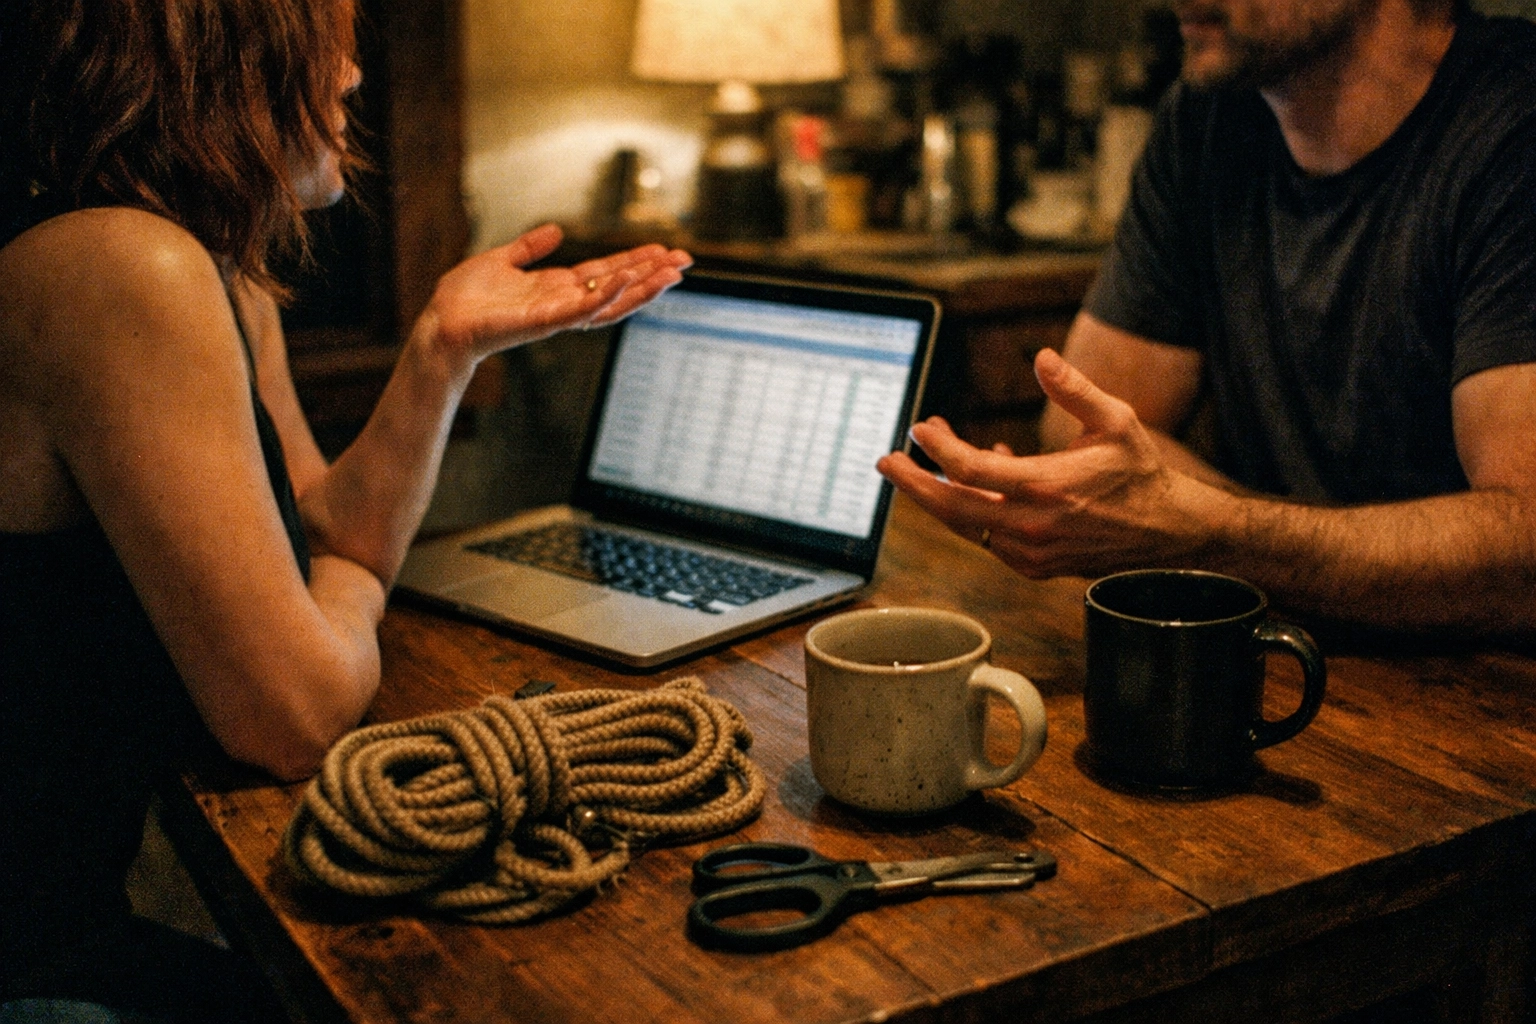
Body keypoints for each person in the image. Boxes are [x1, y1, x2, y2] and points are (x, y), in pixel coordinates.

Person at [0, 0, 690, 1018]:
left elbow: (319, 530)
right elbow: (296, 715)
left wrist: (443, 351)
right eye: (330, 29)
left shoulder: (218, 265)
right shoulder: (115, 266)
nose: (355, 74)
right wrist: (354, 592)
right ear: (227, 42)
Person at [879, 0, 1536, 640]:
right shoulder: (1209, 117)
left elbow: (1524, 552)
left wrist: (1211, 530)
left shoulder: (1512, 122)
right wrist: (1231, 535)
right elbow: (1080, 424)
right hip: (1270, 648)